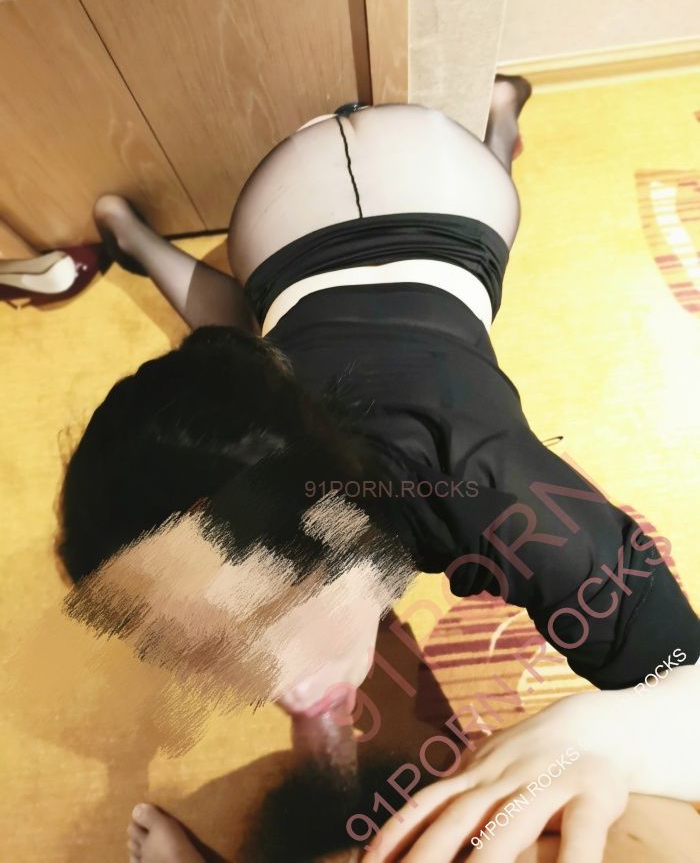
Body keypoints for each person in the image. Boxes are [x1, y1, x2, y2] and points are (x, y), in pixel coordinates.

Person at [55, 79, 700, 862]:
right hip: (299, 211)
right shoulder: (268, 437)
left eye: (275, 614)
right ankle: (138, 237)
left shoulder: (508, 501)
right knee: (255, 341)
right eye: (203, 650)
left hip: (426, 198)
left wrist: (605, 731)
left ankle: (497, 128)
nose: (283, 690)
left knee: (280, 328)